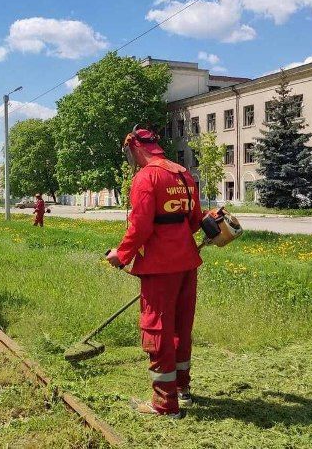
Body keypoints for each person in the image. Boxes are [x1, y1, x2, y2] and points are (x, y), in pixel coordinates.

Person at [106, 126, 203, 418]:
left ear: (135, 148)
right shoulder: (183, 173)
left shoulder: (146, 177)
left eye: (129, 153)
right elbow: (196, 220)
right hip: (187, 263)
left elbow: (141, 227)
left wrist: (121, 255)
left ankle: (164, 404)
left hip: (161, 268)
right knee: (180, 328)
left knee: (157, 329)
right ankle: (182, 389)